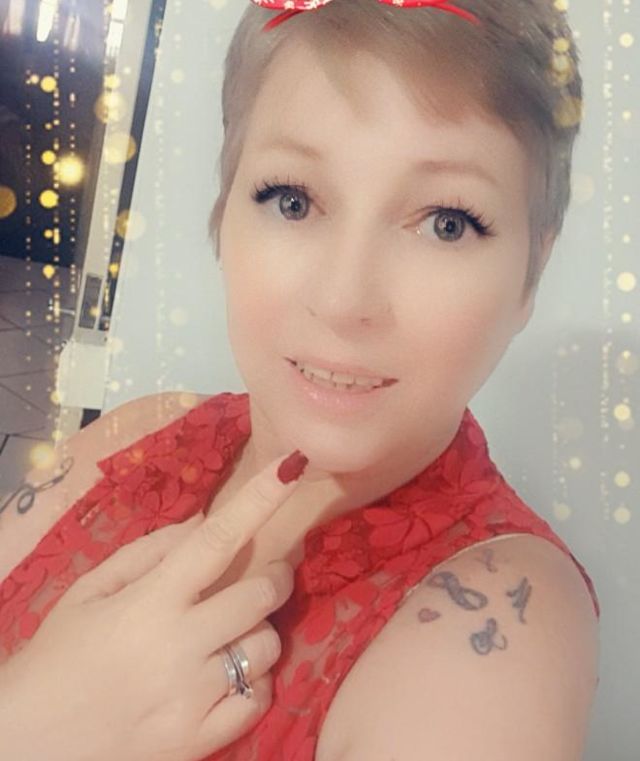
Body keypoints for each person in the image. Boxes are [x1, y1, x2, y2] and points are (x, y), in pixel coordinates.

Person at [0, 0, 600, 760]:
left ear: (530, 271)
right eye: (293, 200)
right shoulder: (138, 433)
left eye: (447, 222)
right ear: (224, 211)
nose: (344, 300)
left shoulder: (495, 630)